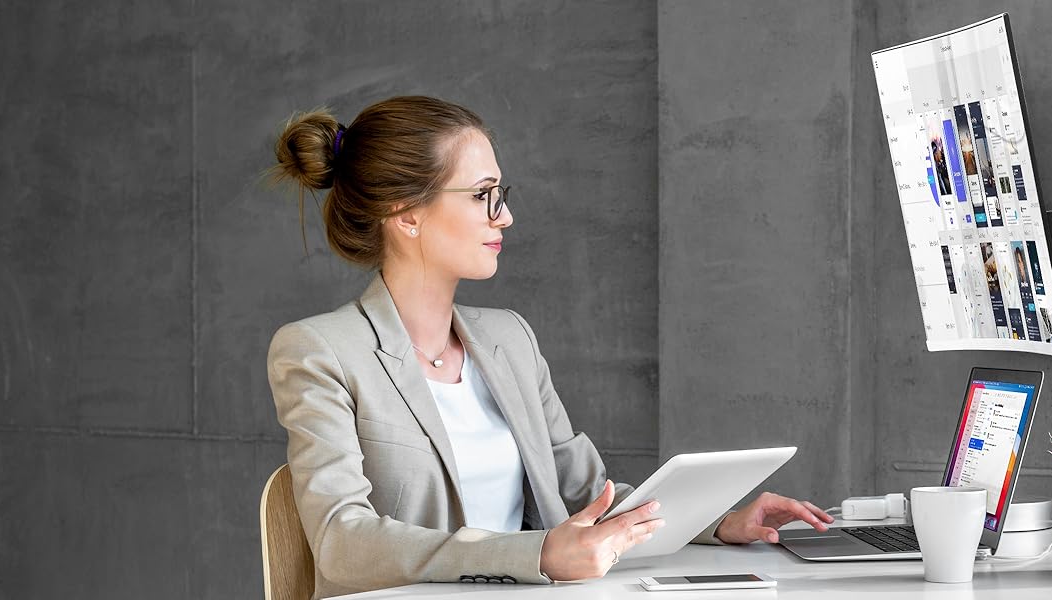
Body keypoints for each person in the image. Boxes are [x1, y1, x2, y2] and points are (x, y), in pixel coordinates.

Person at [266, 96, 834, 597]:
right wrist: (534, 556)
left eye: (501, 193)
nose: (505, 216)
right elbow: (342, 539)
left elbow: (587, 493)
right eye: (483, 195)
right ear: (406, 214)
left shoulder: (509, 338)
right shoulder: (319, 351)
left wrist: (717, 522)